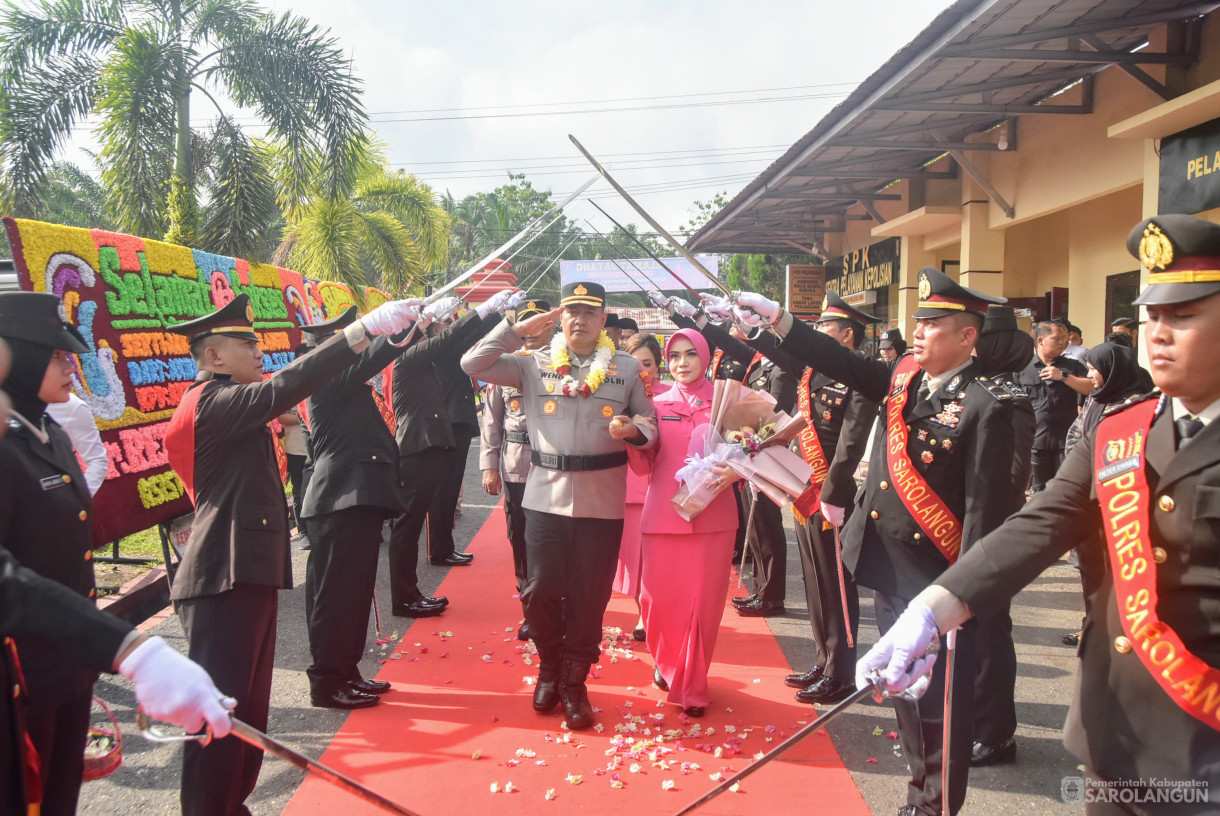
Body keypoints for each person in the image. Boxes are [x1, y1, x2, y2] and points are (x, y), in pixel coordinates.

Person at [858, 213, 1220, 815]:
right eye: (1152, 314)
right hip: (1114, 737)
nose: (1157, 333)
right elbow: (1042, 522)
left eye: (1183, 316)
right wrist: (934, 606)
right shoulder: (1122, 430)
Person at [734, 267, 1014, 816]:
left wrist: (969, 598)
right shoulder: (904, 377)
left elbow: (986, 514)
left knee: (938, 708)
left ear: (966, 337)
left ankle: (934, 806)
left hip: (939, 581)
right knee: (906, 698)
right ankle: (917, 793)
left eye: (932, 323)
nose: (918, 329)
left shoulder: (990, 406)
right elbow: (840, 361)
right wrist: (779, 319)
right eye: (919, 319)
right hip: (889, 566)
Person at [163, 292, 420, 816]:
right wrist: (357, 333)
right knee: (221, 715)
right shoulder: (214, 402)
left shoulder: (228, 402)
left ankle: (230, 802)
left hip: (243, 572)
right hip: (221, 575)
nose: (259, 353)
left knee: (246, 712)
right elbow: (288, 385)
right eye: (245, 344)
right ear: (213, 356)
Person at [0, 298, 233, 816]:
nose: (69, 366)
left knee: (61, 796)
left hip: (68, 662)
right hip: (21, 676)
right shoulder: (5, 448)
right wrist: (131, 649)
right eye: (56, 356)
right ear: (16, 359)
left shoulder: (53, 434)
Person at [461, 281, 657, 730]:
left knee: (590, 599)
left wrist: (634, 430)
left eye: (590, 312)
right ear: (560, 317)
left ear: (604, 319)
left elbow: (651, 422)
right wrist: (514, 329)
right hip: (544, 497)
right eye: (572, 311)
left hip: (602, 501)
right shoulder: (533, 364)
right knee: (539, 592)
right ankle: (549, 665)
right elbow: (472, 363)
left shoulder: (625, 369)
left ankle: (573, 683)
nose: (580, 320)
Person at [766, 292, 880, 706]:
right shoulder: (814, 373)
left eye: (825, 330)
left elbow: (851, 443)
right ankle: (823, 658)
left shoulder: (861, 377)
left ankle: (841, 672)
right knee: (814, 579)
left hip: (830, 494)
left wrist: (832, 491)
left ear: (846, 335)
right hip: (805, 487)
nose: (816, 336)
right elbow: (773, 351)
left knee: (835, 584)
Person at [631, 328, 737, 716]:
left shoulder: (728, 401)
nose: (682, 363)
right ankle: (668, 663)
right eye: (674, 356)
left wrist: (737, 472)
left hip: (714, 519)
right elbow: (643, 464)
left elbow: (753, 449)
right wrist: (632, 437)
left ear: (705, 357)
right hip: (663, 515)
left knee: (703, 606)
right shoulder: (655, 404)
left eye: (690, 354)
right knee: (656, 601)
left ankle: (692, 683)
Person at [388, 293, 514, 617]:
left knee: (412, 525)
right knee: (408, 527)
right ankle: (405, 597)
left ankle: (409, 593)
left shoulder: (421, 356)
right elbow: (452, 337)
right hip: (417, 447)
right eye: (432, 326)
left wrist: (495, 313)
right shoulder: (410, 355)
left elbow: (459, 337)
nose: (439, 328)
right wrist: (484, 309)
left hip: (427, 445)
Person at [968, 305, 1036, 766]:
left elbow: (1012, 478)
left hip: (990, 532)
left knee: (990, 633)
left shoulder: (1008, 398)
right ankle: (977, 721)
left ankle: (996, 734)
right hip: (968, 527)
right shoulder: (978, 390)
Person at [1058, 341, 1153, 650]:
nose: (1090, 375)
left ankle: (1124, 632)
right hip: (1087, 504)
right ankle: (1093, 625)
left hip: (1121, 508)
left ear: (1113, 370)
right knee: (1091, 572)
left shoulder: (1139, 405)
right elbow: (1077, 438)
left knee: (1122, 575)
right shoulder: (1096, 399)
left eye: (1094, 369)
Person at [480, 298, 555, 641]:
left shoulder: (563, 366)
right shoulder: (504, 369)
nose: (532, 332)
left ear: (551, 326)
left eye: (540, 324)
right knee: (521, 541)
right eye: (527, 325)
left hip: (554, 470)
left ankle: (559, 605)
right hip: (516, 469)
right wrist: (488, 467)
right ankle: (532, 611)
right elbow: (491, 424)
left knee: (555, 540)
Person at [615, 332, 669, 641]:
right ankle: (642, 613)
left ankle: (656, 614)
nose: (642, 371)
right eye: (635, 364)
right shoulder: (617, 395)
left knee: (658, 562)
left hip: (662, 487)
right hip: (628, 488)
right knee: (634, 561)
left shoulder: (671, 396)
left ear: (659, 365)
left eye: (647, 363)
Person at [1016, 320, 1091, 493]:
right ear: (1040, 340)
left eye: (1065, 338)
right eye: (1057, 338)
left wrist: (1064, 377)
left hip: (1066, 442)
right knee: (1039, 492)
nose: (1062, 342)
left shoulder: (1072, 366)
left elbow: (1092, 388)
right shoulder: (1022, 368)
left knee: (1067, 491)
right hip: (1035, 442)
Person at [45, 391, 108, 496]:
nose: (69, 373)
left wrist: (75, 499)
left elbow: (97, 460)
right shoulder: (10, 399)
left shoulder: (70, 405)